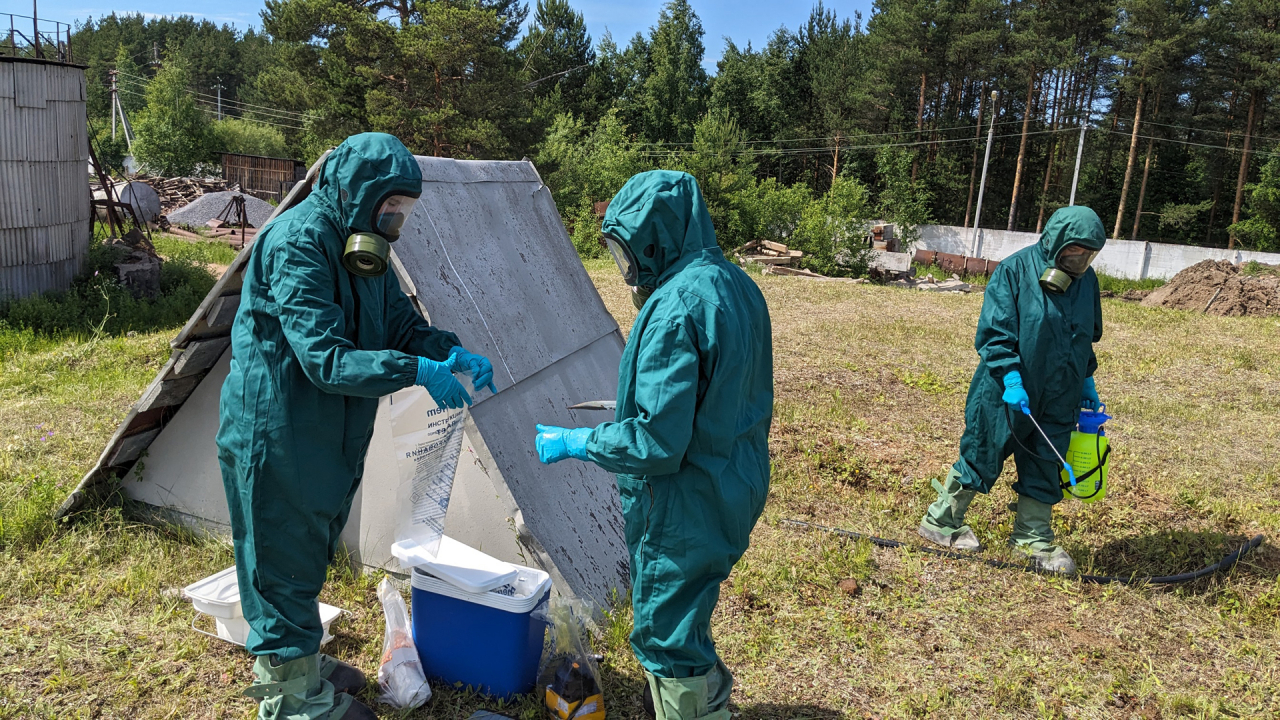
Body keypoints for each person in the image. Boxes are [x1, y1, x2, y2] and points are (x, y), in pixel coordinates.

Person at [216, 133, 496, 720]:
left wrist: (444, 351)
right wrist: (414, 369)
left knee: (309, 549)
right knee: (280, 561)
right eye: (389, 203)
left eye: (405, 207)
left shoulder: (365, 250)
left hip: (327, 434)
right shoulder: (298, 241)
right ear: (357, 193)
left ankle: (303, 662)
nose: (397, 218)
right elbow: (325, 360)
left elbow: (397, 321)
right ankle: (289, 698)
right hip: (278, 430)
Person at [534, 170, 773, 720]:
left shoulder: (674, 308)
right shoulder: (733, 283)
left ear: (656, 240)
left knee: (666, 631)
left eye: (629, 254)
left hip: (683, 497)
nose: (627, 272)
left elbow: (657, 441)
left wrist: (580, 441)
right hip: (732, 480)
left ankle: (691, 706)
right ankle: (710, 701)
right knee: (690, 608)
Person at [917, 205, 1107, 573]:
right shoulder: (1014, 271)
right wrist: (1012, 378)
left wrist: (1086, 380)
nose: (1079, 261)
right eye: (1073, 252)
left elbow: (1086, 337)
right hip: (1004, 390)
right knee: (983, 451)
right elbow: (995, 334)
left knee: (1046, 459)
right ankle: (940, 522)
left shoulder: (1088, 283)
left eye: (1088, 254)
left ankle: (1031, 538)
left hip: (1060, 392)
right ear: (1055, 243)